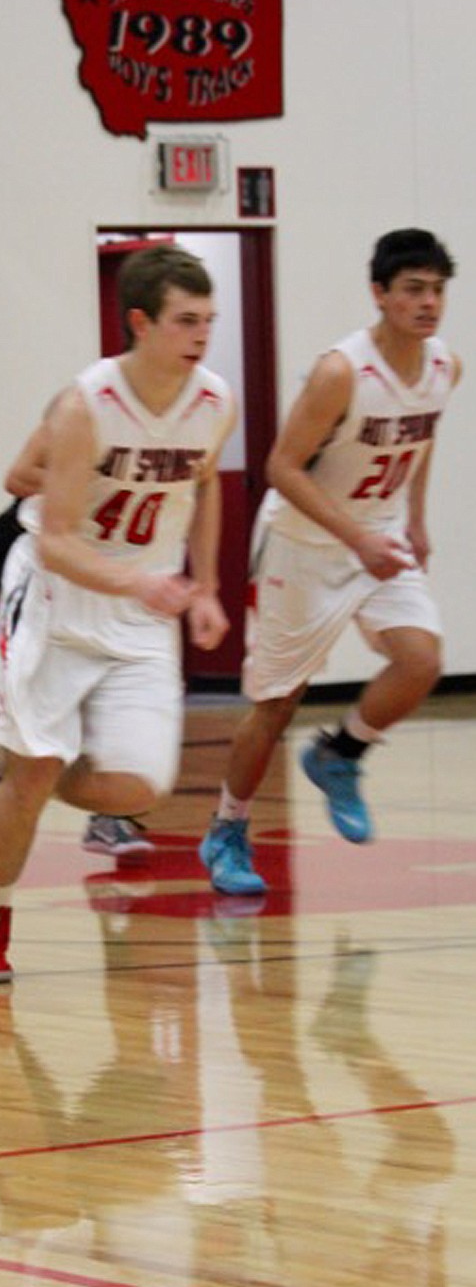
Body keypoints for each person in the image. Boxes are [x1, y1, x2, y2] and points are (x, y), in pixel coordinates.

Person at [0, 243, 236, 980]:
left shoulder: (214, 401)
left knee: (140, 786)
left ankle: (18, 764)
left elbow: (204, 488)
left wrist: (203, 587)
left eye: (209, 320)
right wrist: (134, 583)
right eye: (185, 321)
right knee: (38, 765)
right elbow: (52, 542)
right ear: (140, 323)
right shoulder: (86, 406)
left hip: (139, 612)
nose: (202, 335)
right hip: (59, 597)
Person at [199, 228, 461, 897]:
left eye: (437, 289)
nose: (428, 303)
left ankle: (340, 754)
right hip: (304, 547)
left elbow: (420, 438)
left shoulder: (443, 367)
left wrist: (417, 521)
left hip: (379, 534)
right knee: (276, 703)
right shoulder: (341, 370)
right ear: (380, 294)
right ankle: (227, 828)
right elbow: (281, 468)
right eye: (414, 290)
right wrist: (359, 537)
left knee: (422, 659)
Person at [0, 420, 155, 858]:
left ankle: (107, 815)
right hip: (24, 552)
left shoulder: (185, 424)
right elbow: (17, 477)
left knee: (109, 677)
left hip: (99, 559)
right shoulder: (89, 406)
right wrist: (86, 491)